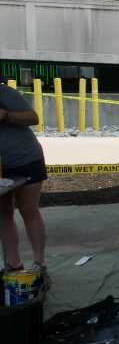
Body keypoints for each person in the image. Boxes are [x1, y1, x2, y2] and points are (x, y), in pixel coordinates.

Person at [0, 83, 49, 284]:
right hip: (2, 166)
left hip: (26, 159)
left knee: (28, 210)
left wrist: (7, 115)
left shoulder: (5, 93)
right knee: (3, 213)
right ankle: (13, 264)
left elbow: (33, 118)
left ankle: (39, 263)